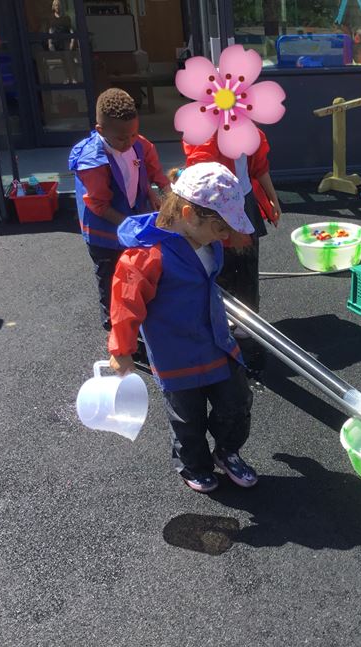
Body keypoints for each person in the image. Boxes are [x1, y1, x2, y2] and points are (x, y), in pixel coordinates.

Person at [108, 163, 258, 493]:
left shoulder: (206, 242)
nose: (226, 236)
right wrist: (121, 350)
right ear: (189, 213)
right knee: (187, 418)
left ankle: (227, 451)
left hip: (216, 341)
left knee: (236, 402)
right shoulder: (147, 256)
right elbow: (125, 304)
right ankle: (194, 464)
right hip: (176, 353)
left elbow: (206, 281)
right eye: (221, 228)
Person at [68, 88, 170, 333]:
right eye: (123, 138)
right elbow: (98, 204)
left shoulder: (138, 143)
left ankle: (136, 326)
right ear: (101, 131)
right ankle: (116, 331)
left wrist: (159, 191)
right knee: (111, 280)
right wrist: (130, 224)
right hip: (104, 231)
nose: (129, 141)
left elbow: (154, 173)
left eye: (134, 134)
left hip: (131, 221)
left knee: (136, 277)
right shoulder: (92, 160)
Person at [183, 128, 282, 378]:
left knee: (247, 268)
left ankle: (246, 332)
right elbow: (200, 170)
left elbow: (259, 166)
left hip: (245, 200)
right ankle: (220, 331)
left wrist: (272, 198)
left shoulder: (252, 131)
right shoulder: (206, 134)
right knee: (221, 269)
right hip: (218, 206)